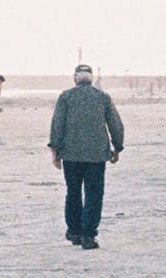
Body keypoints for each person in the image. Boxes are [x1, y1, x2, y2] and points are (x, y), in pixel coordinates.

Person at [48, 64, 124, 249]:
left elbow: (57, 124)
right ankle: (88, 235)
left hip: (71, 154)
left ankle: (74, 232)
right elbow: (115, 123)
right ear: (91, 79)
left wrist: (55, 150)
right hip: (97, 155)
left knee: (73, 192)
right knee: (94, 194)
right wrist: (117, 147)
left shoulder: (65, 97)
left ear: (75, 78)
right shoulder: (103, 97)